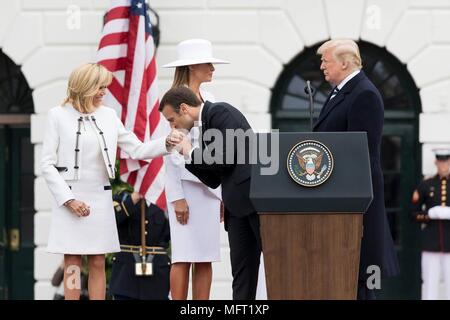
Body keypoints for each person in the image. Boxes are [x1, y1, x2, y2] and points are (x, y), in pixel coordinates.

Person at [40, 62, 182, 300]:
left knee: (97, 259)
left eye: (105, 87)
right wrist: (69, 200)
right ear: (85, 87)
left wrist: (165, 144)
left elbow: (136, 149)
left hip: (99, 197)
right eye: (100, 87)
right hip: (69, 199)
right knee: (72, 260)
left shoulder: (108, 115)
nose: (104, 92)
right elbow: (47, 164)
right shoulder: (57, 116)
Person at [313, 39, 399, 299]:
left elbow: (359, 155)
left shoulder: (364, 94)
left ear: (344, 62)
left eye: (325, 61)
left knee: (362, 275)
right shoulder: (342, 91)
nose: (321, 67)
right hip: (338, 200)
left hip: (354, 202)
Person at [159, 86, 262, 300]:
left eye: (171, 119)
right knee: (242, 273)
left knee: (272, 263)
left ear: (184, 108)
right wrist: (185, 156)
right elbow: (214, 178)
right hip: (236, 207)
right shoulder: (206, 126)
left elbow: (224, 159)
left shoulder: (221, 112)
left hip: (254, 203)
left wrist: (189, 151)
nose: (172, 126)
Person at [162, 38, 227, 300]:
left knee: (206, 255)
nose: (212, 67)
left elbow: (216, 148)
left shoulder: (210, 99)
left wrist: (221, 193)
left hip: (209, 188)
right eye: (207, 62)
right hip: (186, 188)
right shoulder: (172, 99)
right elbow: (168, 153)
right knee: (183, 255)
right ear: (192, 67)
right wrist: (177, 197)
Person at [109, 190, 171, 300]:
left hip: (157, 277)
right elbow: (110, 220)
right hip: (125, 276)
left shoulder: (166, 200)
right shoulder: (122, 198)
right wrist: (133, 199)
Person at [412, 149, 450, 300]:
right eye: (441, 161)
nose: (443, 165)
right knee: (430, 285)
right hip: (430, 243)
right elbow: (413, 213)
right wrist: (429, 215)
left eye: (446, 161)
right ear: (436, 162)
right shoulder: (426, 185)